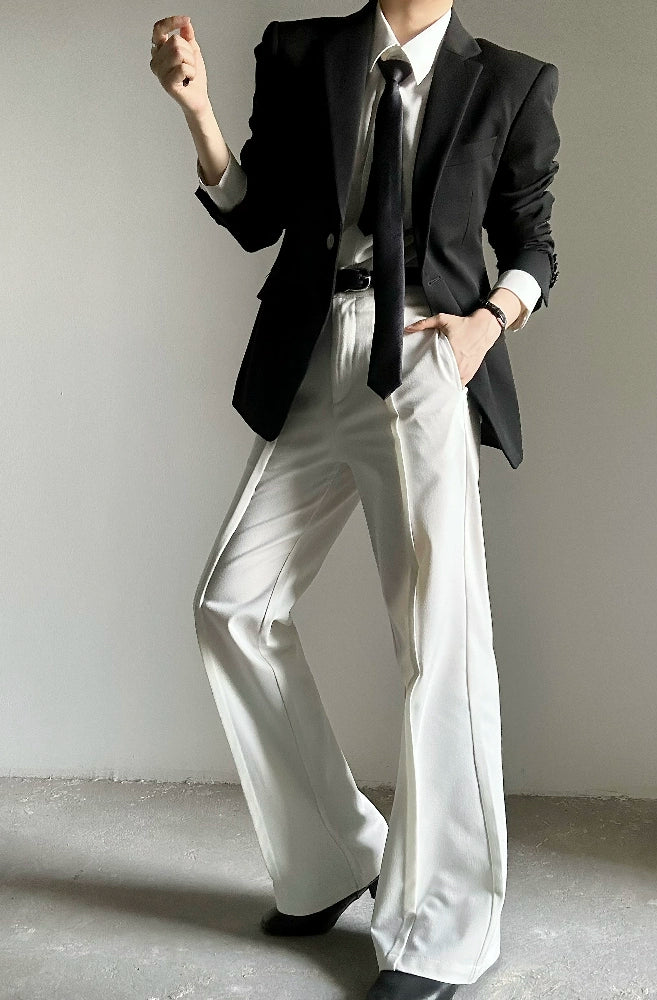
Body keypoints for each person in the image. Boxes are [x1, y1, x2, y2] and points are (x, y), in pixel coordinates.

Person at [150, 2, 560, 997]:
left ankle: (445, 926)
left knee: (439, 638)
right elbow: (258, 215)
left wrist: (489, 322)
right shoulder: (306, 52)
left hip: (423, 354)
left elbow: (534, 242)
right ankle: (336, 856)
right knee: (232, 605)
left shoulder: (510, 82)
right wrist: (197, 109)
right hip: (318, 348)